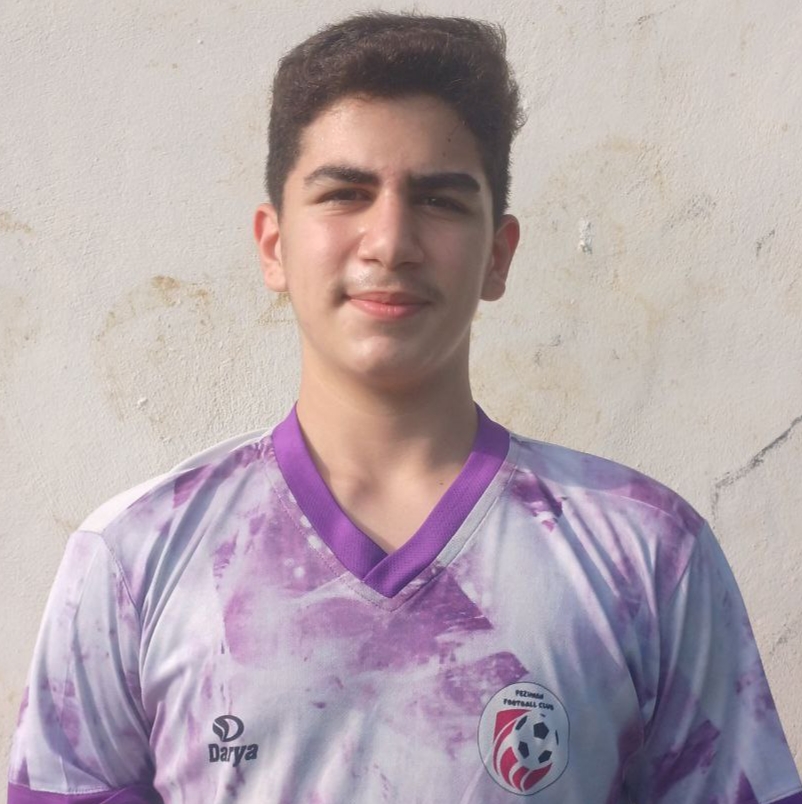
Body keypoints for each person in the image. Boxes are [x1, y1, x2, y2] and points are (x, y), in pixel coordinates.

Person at [7, 12, 801, 804]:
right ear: (274, 246)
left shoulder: (648, 556)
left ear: (498, 256)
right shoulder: (136, 557)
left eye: (440, 201)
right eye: (345, 194)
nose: (390, 242)